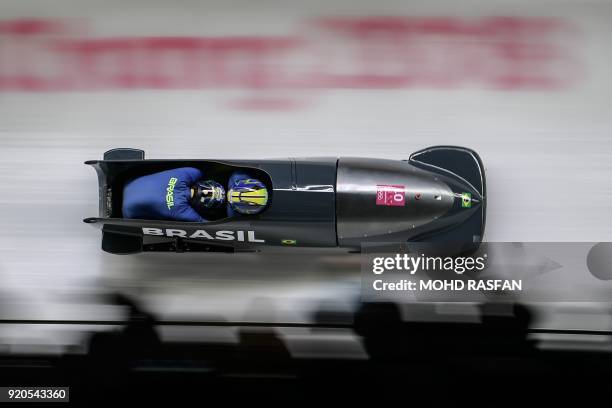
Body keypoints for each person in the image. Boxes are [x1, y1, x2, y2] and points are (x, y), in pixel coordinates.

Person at [122, 167, 268, 222]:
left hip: (129, 180)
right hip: (128, 212)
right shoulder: (183, 211)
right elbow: (205, 224)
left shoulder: (190, 173)